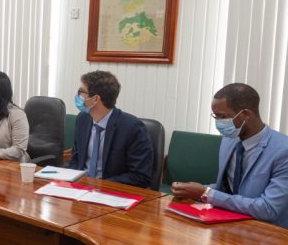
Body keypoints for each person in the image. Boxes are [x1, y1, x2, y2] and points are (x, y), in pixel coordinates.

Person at [172, 83, 288, 229]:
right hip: (229, 224)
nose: (218, 123)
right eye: (215, 116)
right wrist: (190, 190)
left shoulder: (283, 151)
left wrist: (206, 193)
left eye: (223, 117)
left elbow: (268, 209)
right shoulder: (229, 139)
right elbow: (229, 189)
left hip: (267, 232)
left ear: (246, 114)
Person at [67, 70, 153, 187]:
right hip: (80, 187)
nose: (78, 96)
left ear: (95, 99)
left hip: (112, 192)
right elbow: (76, 158)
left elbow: (140, 176)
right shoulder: (83, 119)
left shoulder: (132, 128)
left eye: (81, 92)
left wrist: (99, 185)